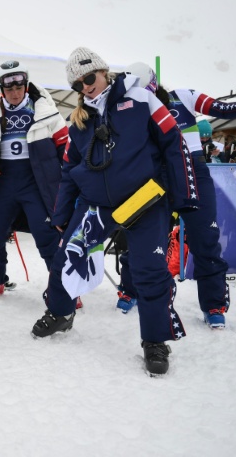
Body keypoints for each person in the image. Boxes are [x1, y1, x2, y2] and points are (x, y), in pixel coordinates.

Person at [30, 47, 198, 376]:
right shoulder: (77, 122)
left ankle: (155, 340)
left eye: (89, 78)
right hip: (97, 205)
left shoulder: (141, 100)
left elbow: (173, 144)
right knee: (68, 255)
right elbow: (69, 170)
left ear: (104, 71)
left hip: (144, 200)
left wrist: (184, 198)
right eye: (77, 85)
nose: (85, 87)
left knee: (149, 269)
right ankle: (61, 313)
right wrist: (62, 216)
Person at [117, 62, 236, 328]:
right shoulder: (130, 110)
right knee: (144, 234)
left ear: (153, 85)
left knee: (205, 237)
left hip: (192, 170)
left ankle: (214, 305)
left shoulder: (182, 96)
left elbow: (220, 109)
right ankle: (130, 290)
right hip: (155, 176)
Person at [0, 60, 67, 300]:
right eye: (9, 89)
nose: (15, 93)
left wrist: (77, 179)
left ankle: (64, 288)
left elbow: (66, 149)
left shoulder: (46, 112)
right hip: (4, 182)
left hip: (35, 183)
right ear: (1, 89)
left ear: (26, 86)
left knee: (47, 235)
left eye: (19, 87)